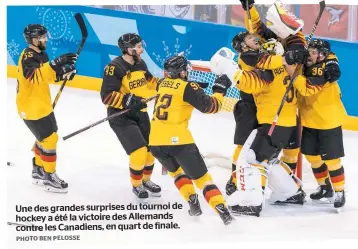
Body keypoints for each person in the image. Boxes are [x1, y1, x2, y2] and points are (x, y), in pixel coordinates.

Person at [225, 0, 306, 199]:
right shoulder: (251, 56)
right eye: (252, 38)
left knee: (263, 153)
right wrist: (288, 59)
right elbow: (263, 63)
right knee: (245, 148)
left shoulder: (267, 46)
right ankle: (235, 180)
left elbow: (258, 27)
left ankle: (287, 190)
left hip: (270, 107)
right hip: (250, 105)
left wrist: (249, 8)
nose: (258, 39)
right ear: (244, 45)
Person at [149, 55, 235, 225]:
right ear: (181, 73)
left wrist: (196, 89)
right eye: (186, 71)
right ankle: (223, 212)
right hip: (179, 142)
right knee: (203, 180)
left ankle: (192, 202)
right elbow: (211, 107)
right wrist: (219, 90)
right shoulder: (188, 87)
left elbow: (180, 90)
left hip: (155, 142)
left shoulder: (160, 84)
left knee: (177, 173)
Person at [284, 39, 346, 209]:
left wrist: (293, 73)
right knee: (312, 157)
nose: (309, 54)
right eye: (308, 51)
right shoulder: (309, 62)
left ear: (322, 55)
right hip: (310, 120)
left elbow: (305, 88)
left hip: (328, 121)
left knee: (333, 160)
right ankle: (325, 187)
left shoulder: (324, 70)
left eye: (313, 52)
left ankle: (340, 191)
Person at [100, 33, 161, 201]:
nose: (142, 49)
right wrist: (129, 100)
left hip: (140, 112)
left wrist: (166, 85)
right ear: (129, 49)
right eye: (139, 46)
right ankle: (136, 184)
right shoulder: (114, 68)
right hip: (121, 115)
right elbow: (106, 96)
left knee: (150, 151)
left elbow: (150, 81)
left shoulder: (140, 63)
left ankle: (146, 180)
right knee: (139, 152)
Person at [17, 24, 77, 193]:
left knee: (44, 137)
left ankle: (38, 169)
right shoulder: (28, 55)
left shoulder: (40, 54)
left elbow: (46, 76)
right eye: (43, 37)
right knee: (50, 139)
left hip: (40, 104)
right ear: (34, 40)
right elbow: (34, 76)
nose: (46, 39)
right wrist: (57, 62)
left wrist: (64, 74)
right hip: (30, 106)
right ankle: (49, 176)